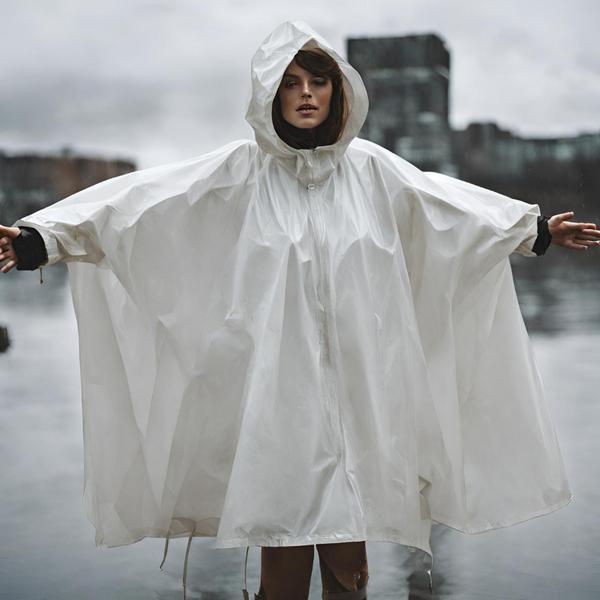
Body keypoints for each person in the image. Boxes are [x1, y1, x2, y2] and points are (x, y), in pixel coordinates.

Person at [1, 20, 599, 600]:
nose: (305, 94)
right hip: (275, 406)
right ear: (270, 94)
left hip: (358, 402)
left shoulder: (369, 171)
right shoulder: (240, 173)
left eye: (317, 81)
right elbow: (139, 206)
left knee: (349, 558)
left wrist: (535, 231)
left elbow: (446, 209)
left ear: (339, 90)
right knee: (283, 549)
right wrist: (40, 239)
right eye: (289, 83)